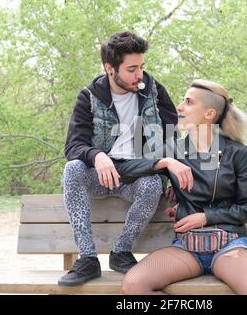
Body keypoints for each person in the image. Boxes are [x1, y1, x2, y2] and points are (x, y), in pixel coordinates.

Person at [122, 79, 247, 295]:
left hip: (229, 246)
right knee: (134, 284)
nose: (179, 107)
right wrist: (165, 162)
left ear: (209, 114)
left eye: (189, 102)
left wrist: (205, 217)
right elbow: (125, 170)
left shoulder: (237, 153)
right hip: (186, 248)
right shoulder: (172, 151)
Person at [59, 31, 177, 286]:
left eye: (142, 67)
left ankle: (121, 251)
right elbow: (73, 145)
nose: (139, 75)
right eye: (132, 69)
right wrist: (97, 154)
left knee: (152, 184)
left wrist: (173, 181)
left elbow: (171, 138)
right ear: (110, 68)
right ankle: (88, 259)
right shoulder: (89, 96)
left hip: (137, 173)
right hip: (101, 175)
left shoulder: (154, 92)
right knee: (72, 169)